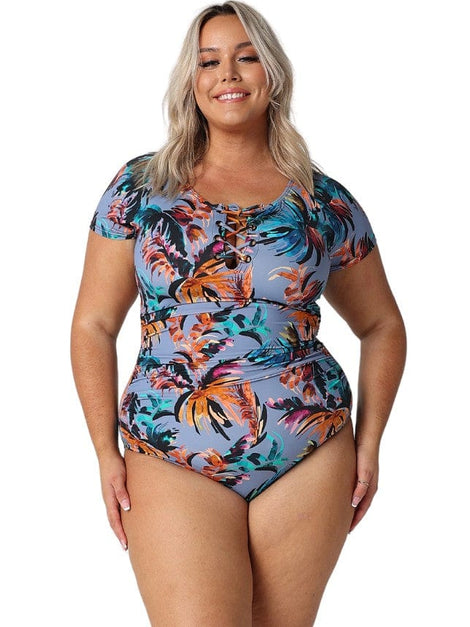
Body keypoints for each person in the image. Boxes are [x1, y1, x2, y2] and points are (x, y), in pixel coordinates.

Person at [70, 1, 406, 624]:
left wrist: (371, 443)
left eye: (246, 57)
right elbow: (93, 323)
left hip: (308, 451)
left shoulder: (322, 200)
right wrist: (102, 450)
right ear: (191, 80)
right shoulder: (140, 189)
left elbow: (382, 324)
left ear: (272, 73)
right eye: (209, 61)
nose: (228, 73)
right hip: (171, 450)